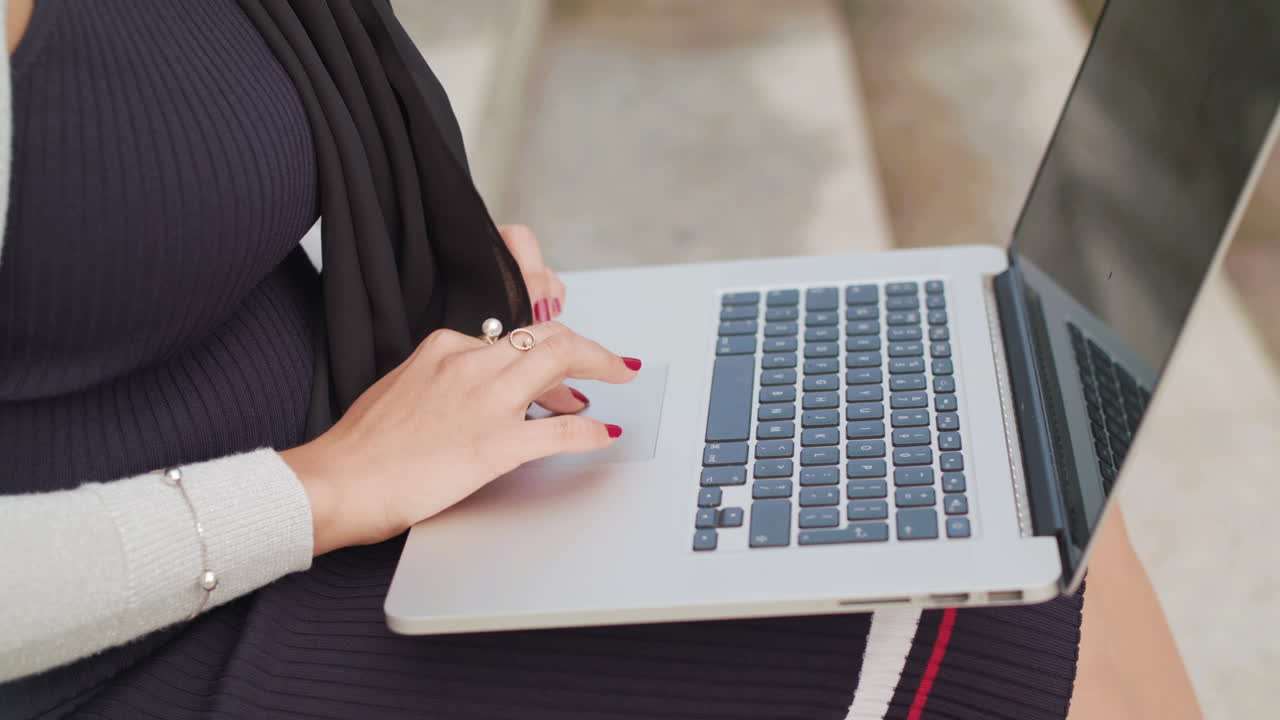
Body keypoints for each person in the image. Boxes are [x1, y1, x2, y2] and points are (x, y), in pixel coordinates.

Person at [0, 1, 1200, 718]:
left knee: (1025, 473)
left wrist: (434, 278)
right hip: (135, 644)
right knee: (1001, 625)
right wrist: (327, 487)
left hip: (334, 460)